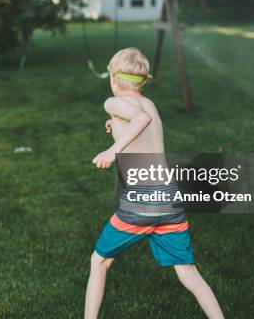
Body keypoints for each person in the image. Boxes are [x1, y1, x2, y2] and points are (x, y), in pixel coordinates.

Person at [85, 48, 224, 319]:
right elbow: (142, 127)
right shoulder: (150, 104)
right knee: (187, 270)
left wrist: (112, 152)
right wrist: (116, 131)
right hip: (169, 199)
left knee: (98, 261)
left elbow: (139, 120)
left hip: (141, 199)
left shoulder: (112, 103)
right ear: (144, 81)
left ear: (114, 79)